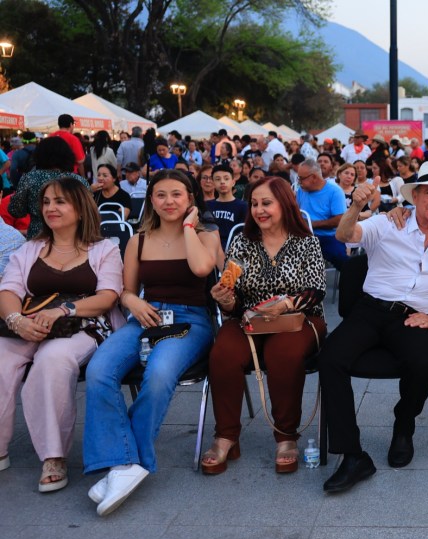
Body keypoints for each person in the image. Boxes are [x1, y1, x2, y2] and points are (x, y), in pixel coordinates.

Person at [318, 161, 428, 492]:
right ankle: (352, 454)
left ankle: (404, 426)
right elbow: (345, 235)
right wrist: (357, 205)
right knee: (330, 357)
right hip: (370, 309)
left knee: (423, 364)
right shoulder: (388, 223)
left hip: (414, 316)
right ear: (414, 196)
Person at [83, 169, 220, 516]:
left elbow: (204, 269)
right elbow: (126, 291)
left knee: (158, 374)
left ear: (190, 198)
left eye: (177, 194)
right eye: (161, 195)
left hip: (191, 320)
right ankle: (126, 463)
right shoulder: (138, 240)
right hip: (145, 315)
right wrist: (132, 302)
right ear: (151, 200)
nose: (169, 201)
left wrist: (189, 227)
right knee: (99, 369)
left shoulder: (208, 234)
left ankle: (125, 462)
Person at [0, 177, 124, 492]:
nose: (51, 208)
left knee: (52, 360)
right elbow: (8, 290)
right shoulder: (30, 249)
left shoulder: (103, 249)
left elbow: (108, 296)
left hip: (83, 324)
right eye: (46, 202)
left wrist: (64, 309)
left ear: (80, 208)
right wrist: (16, 320)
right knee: (1, 360)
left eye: (60, 202)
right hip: (29, 323)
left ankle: (53, 455)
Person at [202, 177, 327, 475]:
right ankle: (226, 435)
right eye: (254, 203)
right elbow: (234, 296)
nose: (259, 210)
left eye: (266, 203)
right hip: (250, 319)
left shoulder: (306, 242)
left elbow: (316, 291)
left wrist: (283, 304)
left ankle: (286, 437)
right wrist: (224, 299)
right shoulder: (243, 243)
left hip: (299, 319)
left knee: (282, 354)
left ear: (284, 204)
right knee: (223, 353)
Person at [8, 136, 90, 239]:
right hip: (73, 239)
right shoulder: (79, 181)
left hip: (38, 239)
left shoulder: (30, 178)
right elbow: (89, 212)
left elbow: (16, 210)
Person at [295, 159, 349, 270]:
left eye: (301, 178)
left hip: (328, 236)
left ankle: (348, 284)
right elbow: (295, 212)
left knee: (342, 261)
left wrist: (312, 224)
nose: (299, 181)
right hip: (303, 236)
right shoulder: (301, 190)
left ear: (314, 177)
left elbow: (339, 220)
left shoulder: (335, 191)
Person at [206, 165, 248, 248]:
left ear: (233, 182)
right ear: (213, 183)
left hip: (233, 252)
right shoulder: (207, 205)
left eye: (226, 178)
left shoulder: (243, 206)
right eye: (218, 179)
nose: (222, 182)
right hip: (210, 250)